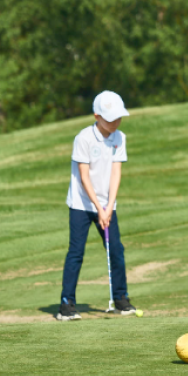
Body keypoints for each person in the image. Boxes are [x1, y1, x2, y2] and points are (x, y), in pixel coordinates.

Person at [57, 90, 137, 321]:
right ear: (97, 116)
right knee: (76, 252)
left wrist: (109, 206)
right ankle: (66, 304)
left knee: (116, 250)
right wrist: (98, 207)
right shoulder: (83, 138)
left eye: (118, 118)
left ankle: (121, 298)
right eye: (110, 118)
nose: (115, 122)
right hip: (81, 204)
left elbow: (116, 173)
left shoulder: (119, 138)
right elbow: (84, 177)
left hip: (107, 204)